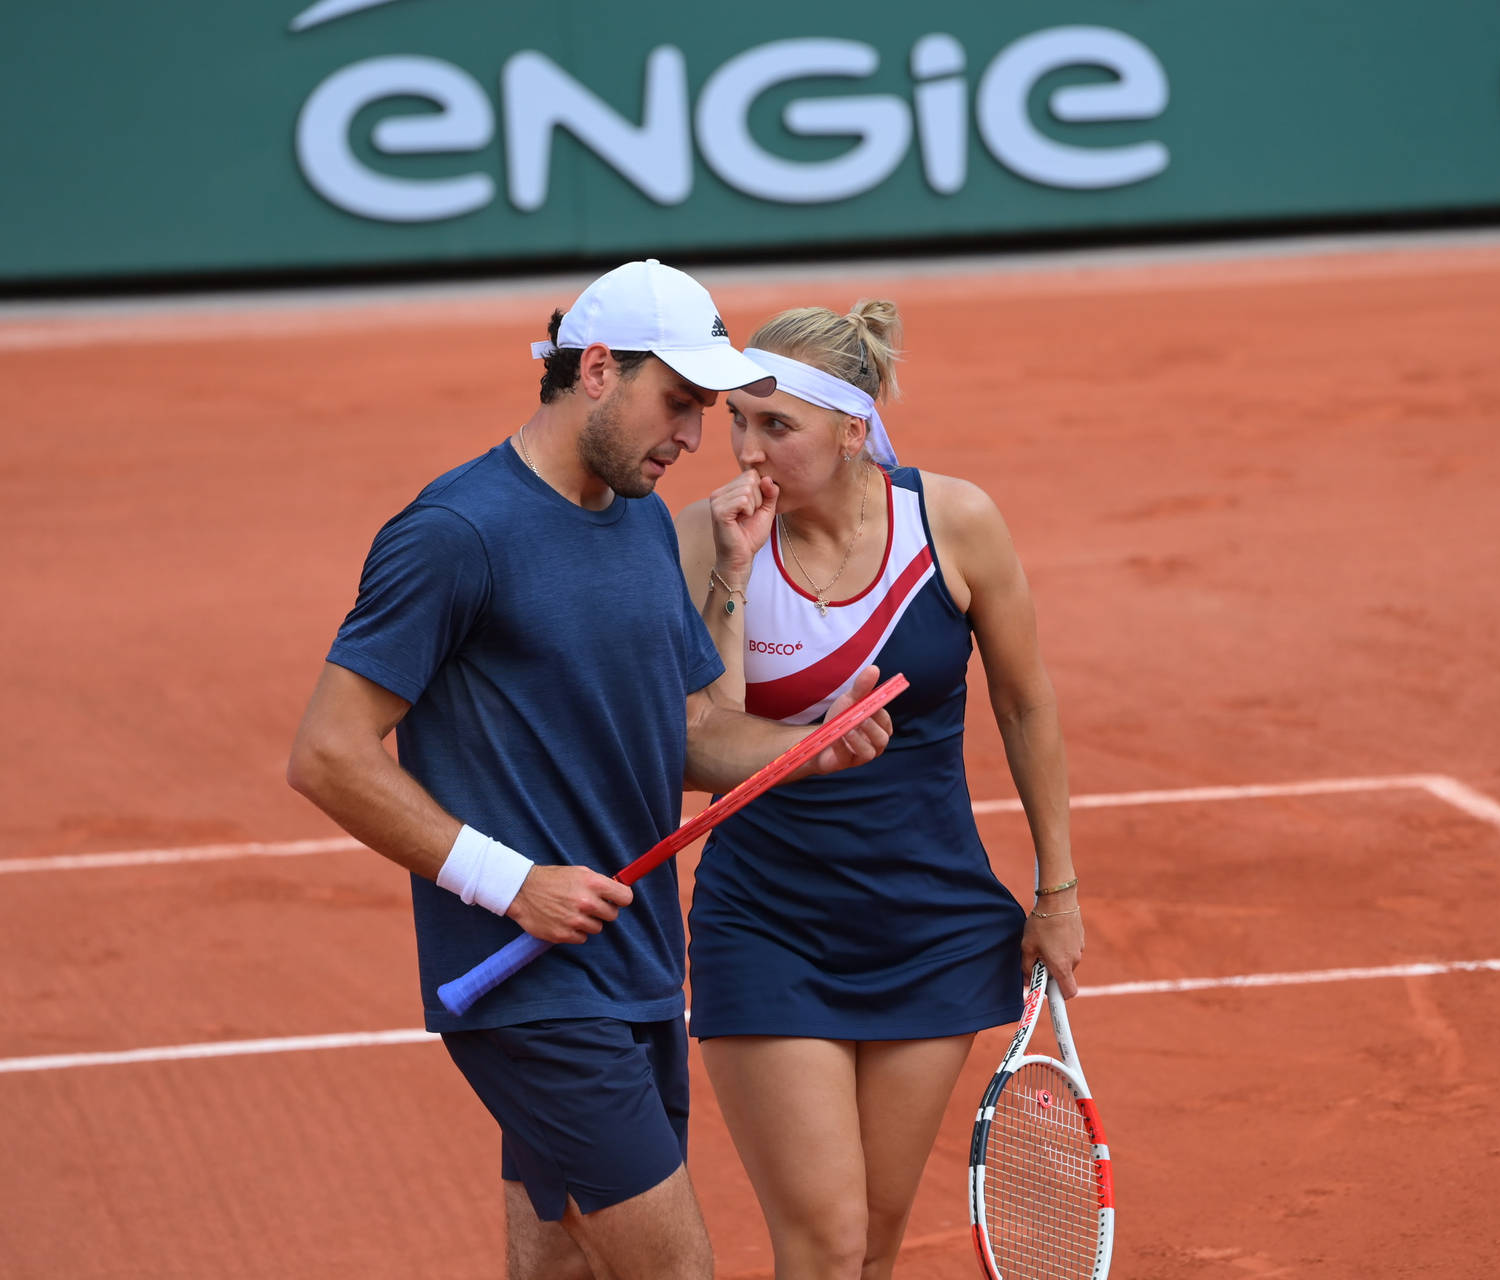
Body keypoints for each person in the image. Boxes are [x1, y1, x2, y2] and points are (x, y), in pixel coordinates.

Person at [285, 260, 894, 1280]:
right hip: (532, 989)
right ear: (598, 369)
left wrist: (812, 742)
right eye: (681, 403)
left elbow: (695, 735)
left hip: (638, 966)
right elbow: (328, 750)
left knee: (562, 1261)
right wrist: (508, 881)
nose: (698, 438)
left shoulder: (642, 522)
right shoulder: (457, 532)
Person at [672, 299, 1083, 1279]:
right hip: (769, 924)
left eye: (777, 425)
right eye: (738, 421)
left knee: (878, 1242)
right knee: (824, 1244)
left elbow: (1025, 704)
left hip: (929, 921)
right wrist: (731, 573)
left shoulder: (953, 522)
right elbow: (699, 740)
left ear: (853, 429)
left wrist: (1057, 887)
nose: (748, 448)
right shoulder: (711, 535)